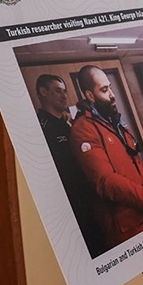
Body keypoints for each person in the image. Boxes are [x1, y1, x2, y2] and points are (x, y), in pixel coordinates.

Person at [71, 65, 143, 250]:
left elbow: (133, 158)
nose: (112, 94)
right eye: (104, 90)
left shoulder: (112, 120)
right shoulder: (83, 130)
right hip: (129, 226)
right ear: (90, 95)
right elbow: (105, 181)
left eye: (110, 87)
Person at [35, 74, 104, 257]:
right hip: (71, 204)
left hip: (89, 196)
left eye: (64, 91)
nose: (64, 96)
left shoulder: (66, 125)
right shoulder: (41, 128)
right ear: (43, 92)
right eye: (57, 91)